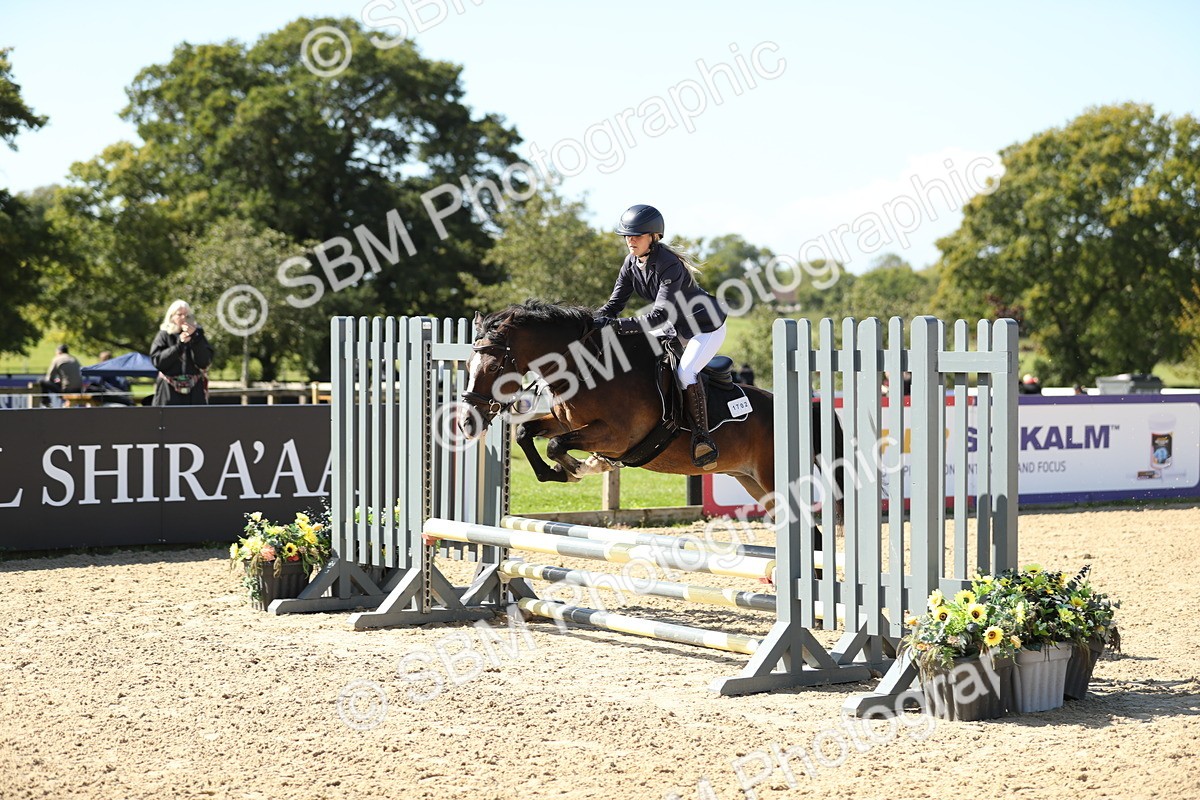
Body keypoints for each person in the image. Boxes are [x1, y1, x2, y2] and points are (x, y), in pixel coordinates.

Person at [593, 204, 728, 468]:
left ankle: (702, 438)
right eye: (627, 236)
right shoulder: (631, 263)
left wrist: (617, 326)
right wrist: (589, 323)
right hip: (676, 326)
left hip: (704, 327)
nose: (630, 241)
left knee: (685, 373)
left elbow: (658, 317)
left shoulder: (669, 264)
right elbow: (614, 305)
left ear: (653, 236)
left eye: (637, 235)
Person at [151, 300, 214, 406]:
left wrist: (195, 339)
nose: (183, 318)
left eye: (187, 315)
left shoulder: (197, 335)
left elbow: (204, 362)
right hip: (169, 390)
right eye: (179, 314)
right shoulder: (164, 335)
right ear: (171, 316)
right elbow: (158, 362)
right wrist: (179, 345)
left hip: (194, 392)